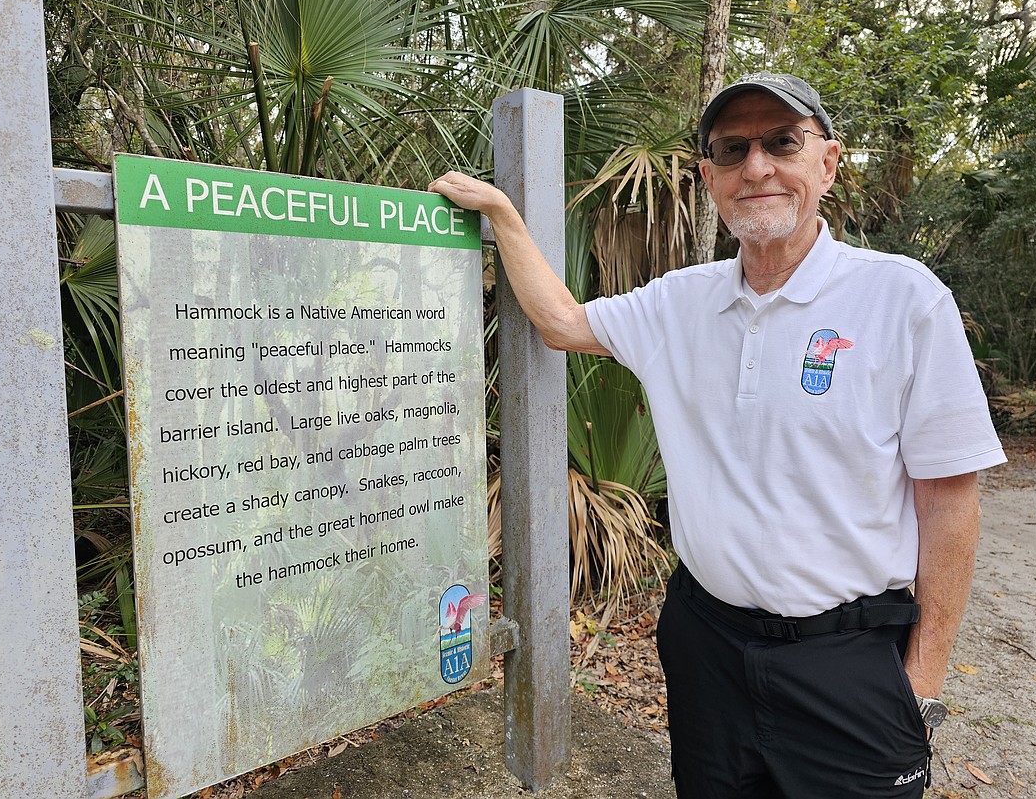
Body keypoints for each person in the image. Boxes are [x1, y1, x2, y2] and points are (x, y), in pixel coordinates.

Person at [429, 71, 1006, 798]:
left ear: (826, 163)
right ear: (710, 177)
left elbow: (949, 499)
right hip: (708, 647)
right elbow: (562, 321)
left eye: (781, 142)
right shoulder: (679, 302)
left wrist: (919, 684)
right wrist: (506, 218)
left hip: (850, 663)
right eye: (733, 150)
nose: (756, 166)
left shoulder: (904, 298)